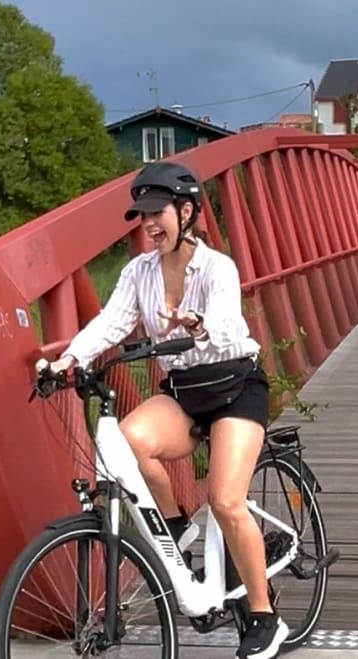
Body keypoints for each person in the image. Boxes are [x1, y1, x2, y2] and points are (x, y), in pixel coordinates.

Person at [48, 161, 288, 658]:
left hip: (234, 387)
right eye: (141, 216)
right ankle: (177, 523)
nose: (149, 224)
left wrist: (195, 324)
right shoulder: (139, 271)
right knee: (129, 444)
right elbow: (111, 323)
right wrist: (67, 359)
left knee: (225, 500)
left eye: (157, 212)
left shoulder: (217, 266)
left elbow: (224, 326)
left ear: (186, 211)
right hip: (183, 391)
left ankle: (266, 617)